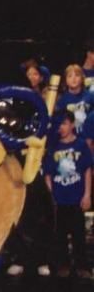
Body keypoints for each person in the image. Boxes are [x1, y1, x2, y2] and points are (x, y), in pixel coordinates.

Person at [44, 112, 92, 278]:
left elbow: (86, 170)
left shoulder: (80, 145)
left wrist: (87, 194)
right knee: (60, 234)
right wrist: (51, 196)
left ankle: (82, 265)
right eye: (58, 124)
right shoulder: (53, 147)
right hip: (59, 199)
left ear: (72, 124)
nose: (61, 128)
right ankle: (63, 264)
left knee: (79, 234)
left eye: (64, 123)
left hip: (76, 197)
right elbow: (48, 174)